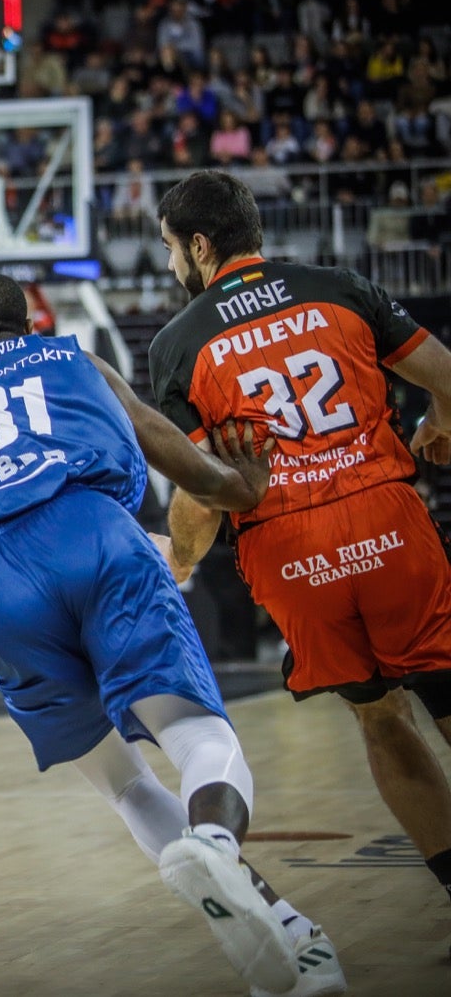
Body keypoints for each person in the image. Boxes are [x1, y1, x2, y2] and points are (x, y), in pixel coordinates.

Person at [0, 275, 340, 996]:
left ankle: (289, 932)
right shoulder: (76, 361)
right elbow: (183, 462)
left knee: (127, 787)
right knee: (196, 736)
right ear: (31, 324)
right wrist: (241, 485)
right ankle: (218, 843)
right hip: (92, 532)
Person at [150, 169, 451, 908]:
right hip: (387, 517)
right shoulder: (338, 286)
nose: (167, 265)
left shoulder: (179, 343)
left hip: (291, 547)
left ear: (198, 245)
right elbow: (447, 372)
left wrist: (179, 561)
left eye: (168, 249)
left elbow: (203, 493)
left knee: (380, 718)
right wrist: (440, 420)